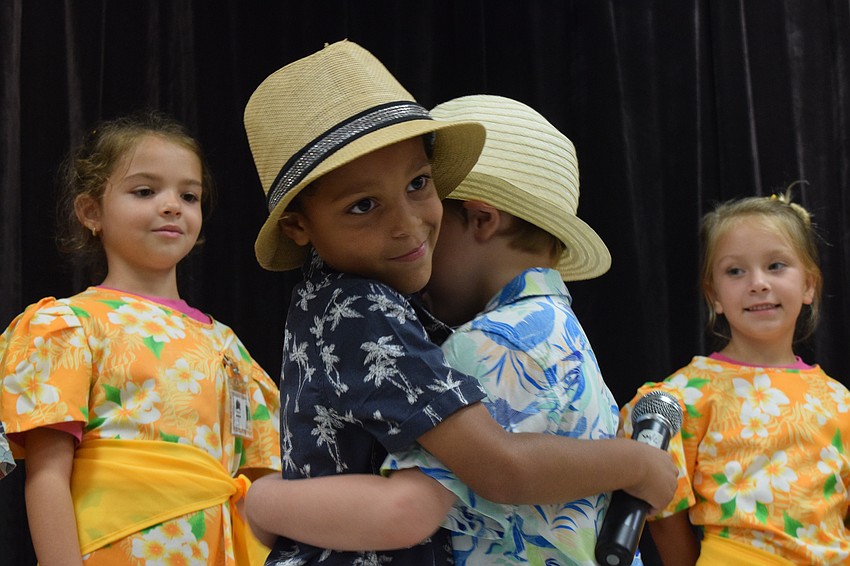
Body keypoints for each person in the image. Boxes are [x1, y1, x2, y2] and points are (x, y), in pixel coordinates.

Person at [243, 41, 676, 566]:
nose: (407, 224)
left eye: (419, 184)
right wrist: (259, 499)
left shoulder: (337, 304)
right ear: (298, 225)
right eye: (363, 205)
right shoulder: (367, 314)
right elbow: (483, 475)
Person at [0, 110, 282, 565]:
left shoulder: (228, 344)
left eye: (189, 195)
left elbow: (259, 480)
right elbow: (48, 474)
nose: (172, 205)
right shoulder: (69, 324)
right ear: (91, 212)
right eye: (145, 191)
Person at [621, 190, 850, 565]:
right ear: (714, 296)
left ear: (809, 285)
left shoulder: (840, 401)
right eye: (735, 271)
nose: (758, 282)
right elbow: (663, 511)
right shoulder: (685, 394)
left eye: (776, 265)